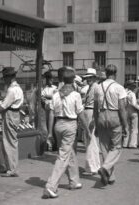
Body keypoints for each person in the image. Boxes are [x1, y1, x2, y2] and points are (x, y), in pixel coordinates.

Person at [43, 68, 91, 198]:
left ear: (62, 80)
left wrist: (50, 132)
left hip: (58, 125)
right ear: (73, 80)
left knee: (70, 152)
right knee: (63, 155)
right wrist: (87, 130)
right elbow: (81, 114)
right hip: (70, 125)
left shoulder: (55, 94)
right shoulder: (75, 95)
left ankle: (74, 181)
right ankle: (51, 186)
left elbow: (51, 113)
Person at [94, 64, 128, 186]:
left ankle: (110, 176)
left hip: (101, 116)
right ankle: (105, 168)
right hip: (114, 116)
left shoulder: (97, 87)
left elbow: (95, 108)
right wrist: (125, 125)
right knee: (116, 147)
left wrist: (97, 125)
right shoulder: (119, 88)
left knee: (104, 147)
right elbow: (122, 108)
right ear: (116, 73)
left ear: (106, 73)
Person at [0, 67, 24, 177]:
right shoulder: (18, 88)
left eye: (5, 77)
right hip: (16, 114)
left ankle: (11, 169)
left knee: (8, 142)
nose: (4, 79)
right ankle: (10, 166)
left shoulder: (11, 90)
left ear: (9, 77)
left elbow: (3, 106)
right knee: (12, 140)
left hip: (9, 114)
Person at [81, 68, 101, 176]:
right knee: (90, 141)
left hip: (91, 113)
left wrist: (94, 119)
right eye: (87, 78)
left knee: (90, 141)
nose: (88, 79)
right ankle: (94, 166)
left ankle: (91, 167)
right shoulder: (91, 87)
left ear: (94, 77)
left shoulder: (96, 87)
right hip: (88, 112)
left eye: (90, 77)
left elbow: (98, 104)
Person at [41, 70, 57, 151]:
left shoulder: (55, 88)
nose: (51, 81)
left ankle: (54, 145)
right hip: (46, 109)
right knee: (47, 127)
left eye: (52, 79)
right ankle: (47, 145)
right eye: (50, 79)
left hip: (54, 108)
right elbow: (42, 98)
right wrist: (45, 100)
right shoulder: (44, 89)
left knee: (54, 126)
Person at [123, 80, 139, 148]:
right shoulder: (132, 94)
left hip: (126, 111)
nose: (134, 87)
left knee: (127, 128)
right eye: (133, 86)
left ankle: (125, 143)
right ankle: (132, 144)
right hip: (133, 111)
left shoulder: (124, 92)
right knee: (134, 129)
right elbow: (134, 103)